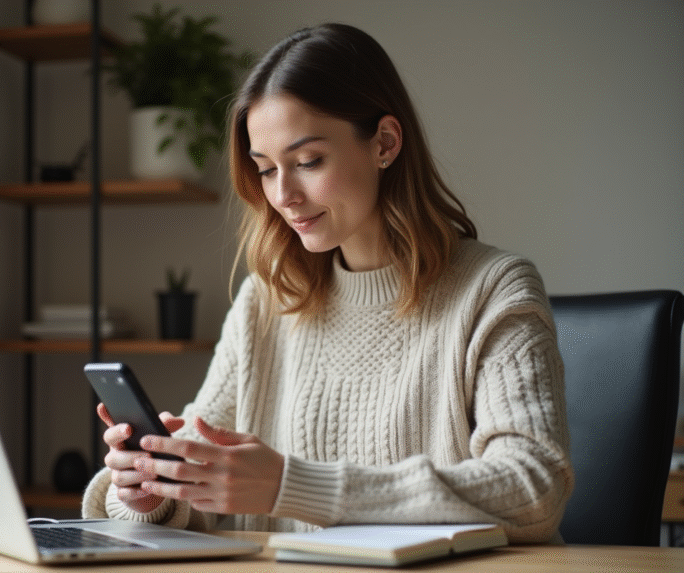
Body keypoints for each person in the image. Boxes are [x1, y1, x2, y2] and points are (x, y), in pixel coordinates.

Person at [82, 23, 574, 543]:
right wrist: (151, 491)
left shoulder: (494, 291)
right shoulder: (265, 304)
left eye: (308, 162)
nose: (284, 194)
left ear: (384, 143)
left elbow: (532, 486)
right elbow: (205, 474)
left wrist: (292, 487)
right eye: (266, 169)